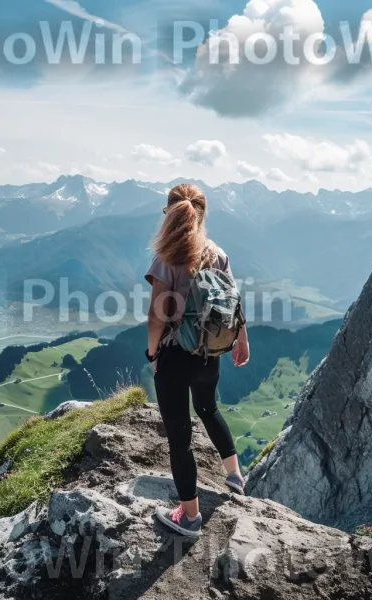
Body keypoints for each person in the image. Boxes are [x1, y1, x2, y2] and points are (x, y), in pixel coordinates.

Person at [145, 183, 250, 538]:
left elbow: (157, 313)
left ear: (170, 213)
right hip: (210, 352)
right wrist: (241, 340)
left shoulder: (167, 255)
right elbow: (234, 302)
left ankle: (189, 517)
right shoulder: (217, 253)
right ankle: (235, 474)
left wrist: (152, 351)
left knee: (179, 436)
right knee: (208, 408)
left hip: (176, 354)